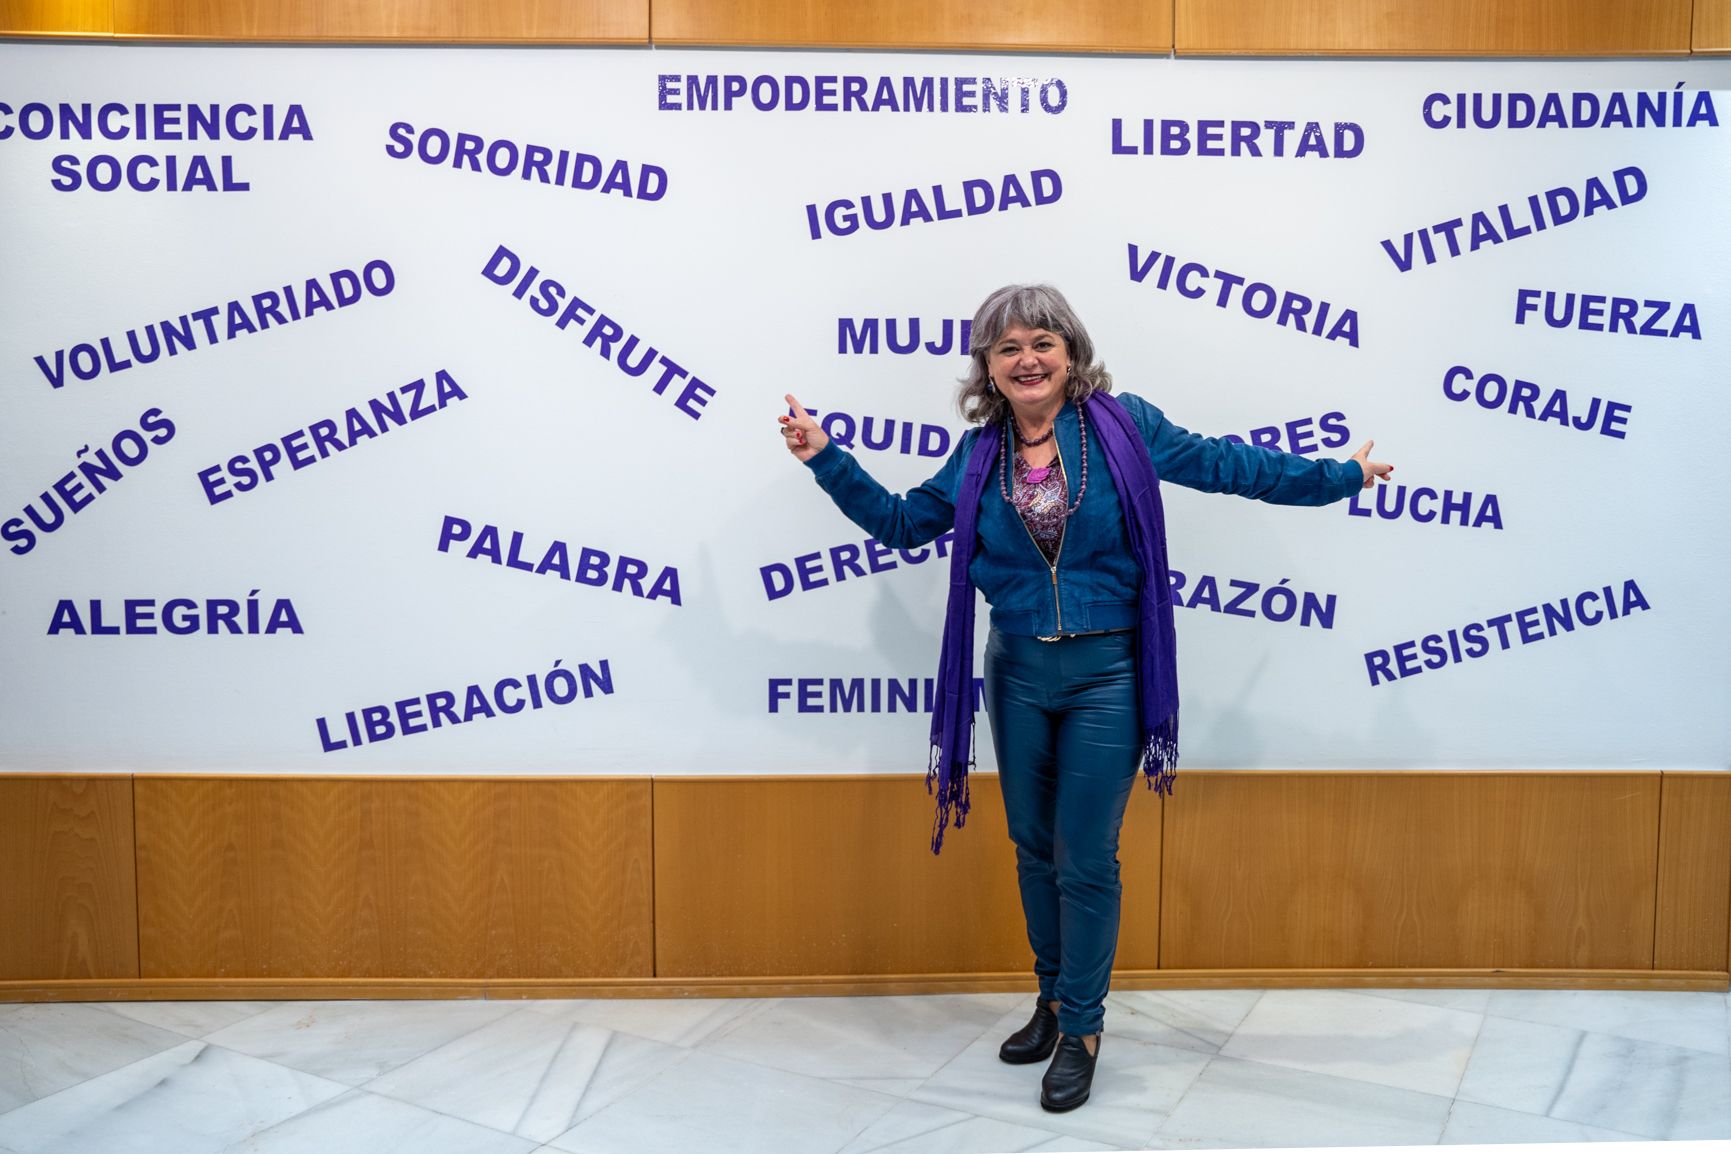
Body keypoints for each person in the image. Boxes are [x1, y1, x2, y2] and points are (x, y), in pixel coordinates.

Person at [779, 284, 1391, 1113]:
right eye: (1007, 348)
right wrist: (826, 457)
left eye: (1042, 342)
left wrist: (1339, 476)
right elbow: (899, 522)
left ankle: (1082, 1029)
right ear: (988, 368)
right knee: (1033, 847)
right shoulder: (979, 454)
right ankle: (1051, 998)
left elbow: (1229, 466)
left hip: (1108, 672)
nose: (1027, 359)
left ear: (1071, 353)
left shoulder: (1125, 426)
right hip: (1016, 671)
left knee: (1085, 855)